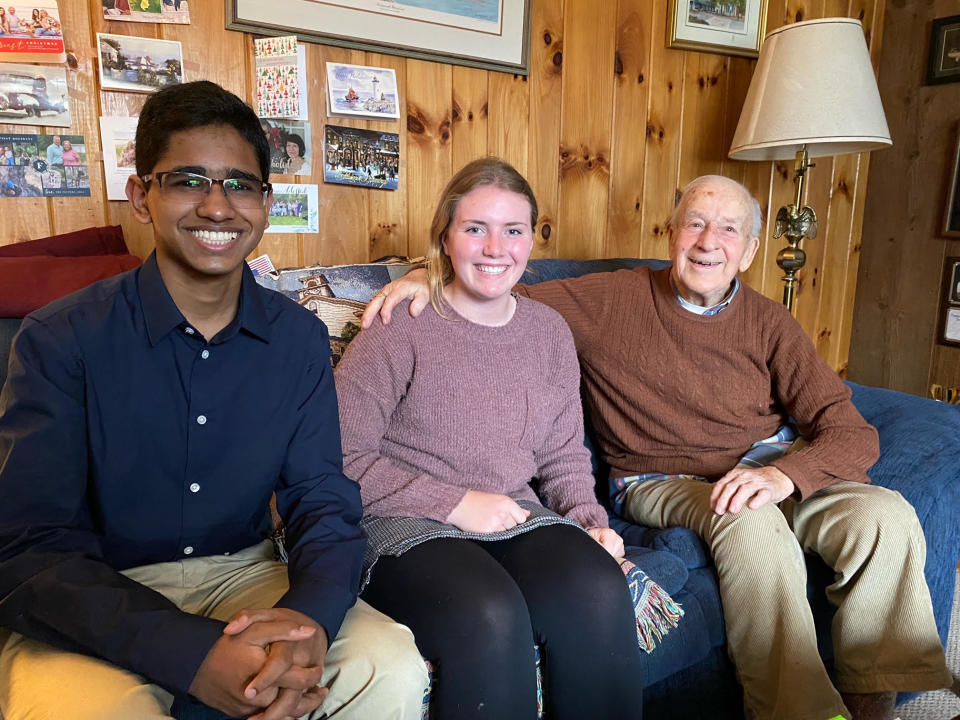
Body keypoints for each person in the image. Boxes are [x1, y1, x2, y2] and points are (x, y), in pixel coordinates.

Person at [361, 173, 952, 720]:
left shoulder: (772, 323)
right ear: (671, 233)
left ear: (748, 251)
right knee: (748, 518)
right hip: (663, 479)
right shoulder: (609, 299)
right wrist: (421, 276)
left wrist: (785, 477)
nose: (707, 241)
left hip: (769, 467)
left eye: (728, 229)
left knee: (885, 516)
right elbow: (496, 284)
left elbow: (851, 430)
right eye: (694, 222)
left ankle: (874, 698)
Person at [0, 80, 427, 720]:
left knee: (385, 662)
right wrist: (193, 655)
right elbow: (28, 546)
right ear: (141, 196)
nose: (217, 206)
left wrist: (307, 621)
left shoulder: (298, 339)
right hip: (96, 587)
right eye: (188, 180)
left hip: (246, 574)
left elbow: (322, 498)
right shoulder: (60, 338)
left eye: (239, 184)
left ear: (266, 202)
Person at [336, 157, 649, 720]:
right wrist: (455, 503)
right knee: (488, 609)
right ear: (446, 238)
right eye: (474, 228)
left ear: (532, 240)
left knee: (599, 586)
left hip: (509, 515)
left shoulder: (547, 332)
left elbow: (562, 454)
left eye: (514, 230)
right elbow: (335, 456)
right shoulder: (402, 322)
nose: (494, 248)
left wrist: (590, 524)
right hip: (399, 517)